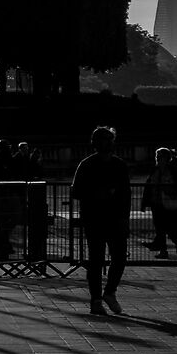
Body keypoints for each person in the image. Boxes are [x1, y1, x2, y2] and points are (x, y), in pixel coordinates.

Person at [71, 124, 131, 317]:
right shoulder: (113, 165)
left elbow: (126, 195)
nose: (108, 143)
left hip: (101, 218)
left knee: (110, 259)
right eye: (104, 140)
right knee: (102, 260)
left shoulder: (89, 164)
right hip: (100, 218)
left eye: (109, 139)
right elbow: (76, 192)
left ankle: (102, 296)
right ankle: (103, 295)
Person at [142, 147, 177, 259]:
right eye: (157, 156)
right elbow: (149, 186)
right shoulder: (155, 170)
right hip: (157, 204)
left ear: (166, 158)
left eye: (160, 157)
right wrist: (145, 202)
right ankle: (163, 251)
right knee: (160, 229)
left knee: (171, 229)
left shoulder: (172, 170)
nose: (157, 159)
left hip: (169, 204)